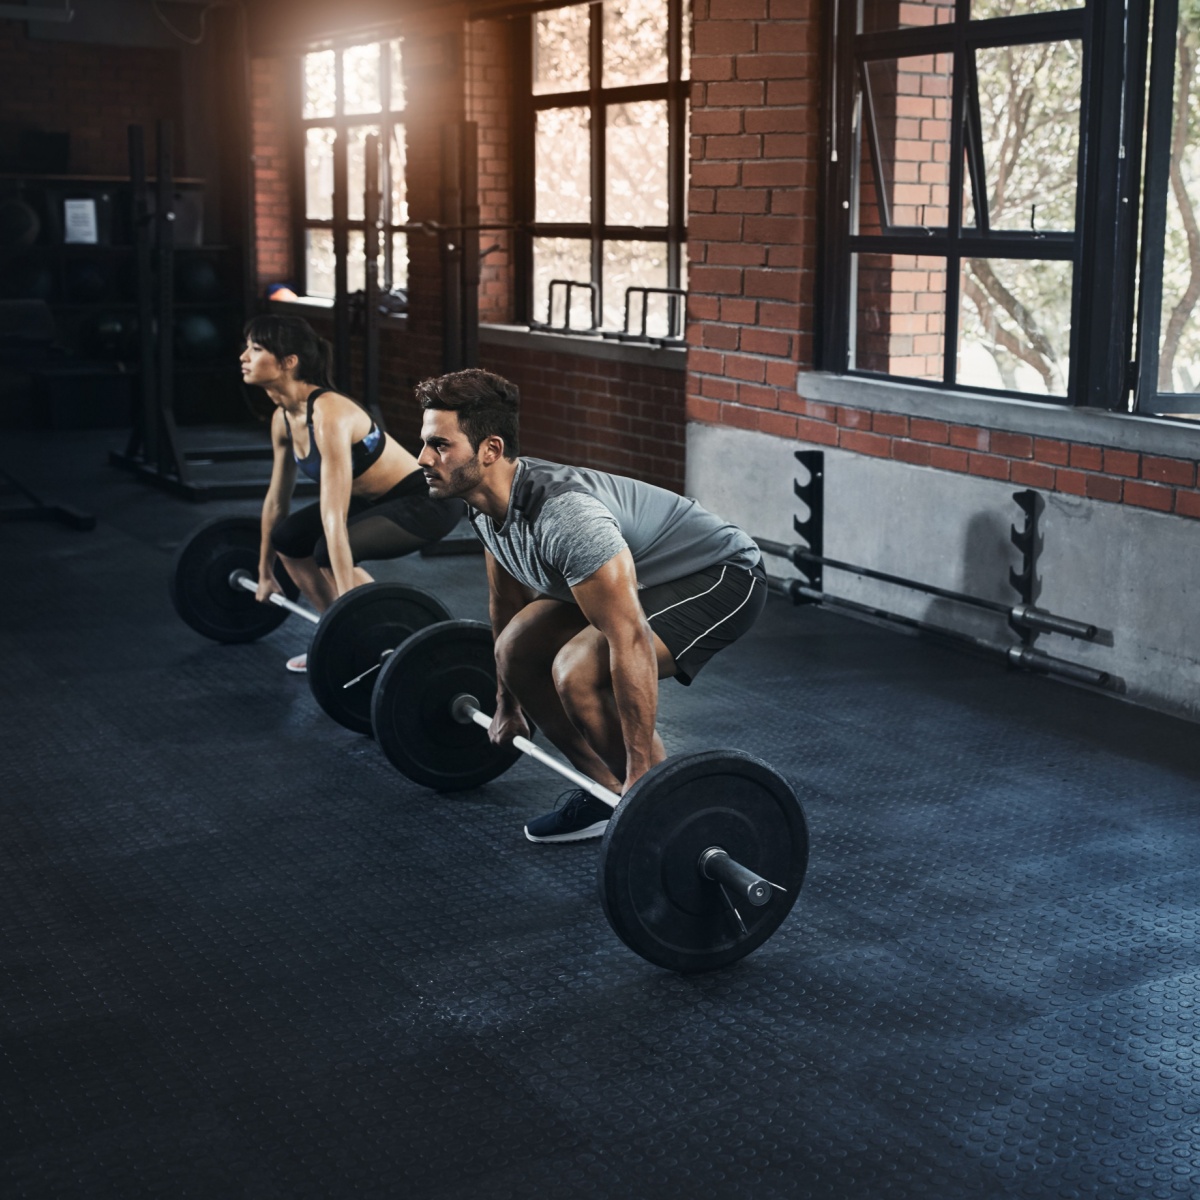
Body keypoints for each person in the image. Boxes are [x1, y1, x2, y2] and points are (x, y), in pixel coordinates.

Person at [415, 368, 767, 843]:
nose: (422, 458)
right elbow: (506, 602)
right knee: (515, 650)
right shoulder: (483, 505)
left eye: (440, 445)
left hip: (720, 575)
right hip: (641, 579)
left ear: (490, 450)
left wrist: (643, 766)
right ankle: (609, 794)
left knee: (576, 671)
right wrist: (507, 704)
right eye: (425, 442)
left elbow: (629, 637)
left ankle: (664, 815)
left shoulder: (566, 518)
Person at [241, 315, 464, 671]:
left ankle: (407, 647)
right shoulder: (282, 419)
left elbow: (333, 513)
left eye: (255, 348)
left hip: (426, 502)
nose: (244, 357)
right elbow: (276, 502)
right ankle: (336, 639)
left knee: (327, 551)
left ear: (288, 362)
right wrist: (265, 572)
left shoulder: (329, 412)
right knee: (290, 538)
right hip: (378, 499)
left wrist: (351, 602)